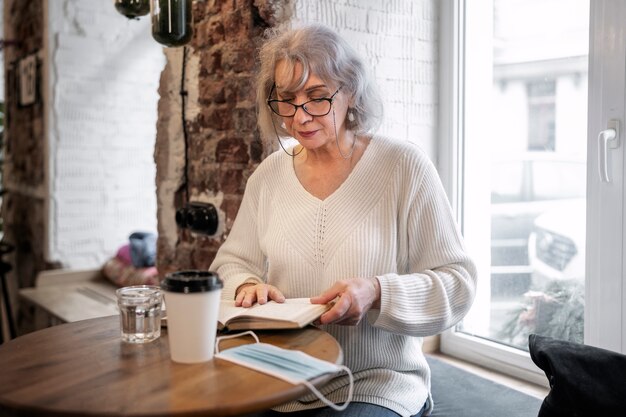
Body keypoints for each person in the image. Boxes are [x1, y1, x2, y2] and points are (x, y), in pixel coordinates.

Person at [209, 23, 477, 417]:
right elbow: (231, 264)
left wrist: (377, 292)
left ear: (350, 93)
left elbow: (458, 283)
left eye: (317, 97)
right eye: (287, 100)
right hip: (281, 377)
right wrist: (248, 285)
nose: (300, 116)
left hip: (376, 382)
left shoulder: (403, 167)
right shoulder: (268, 176)